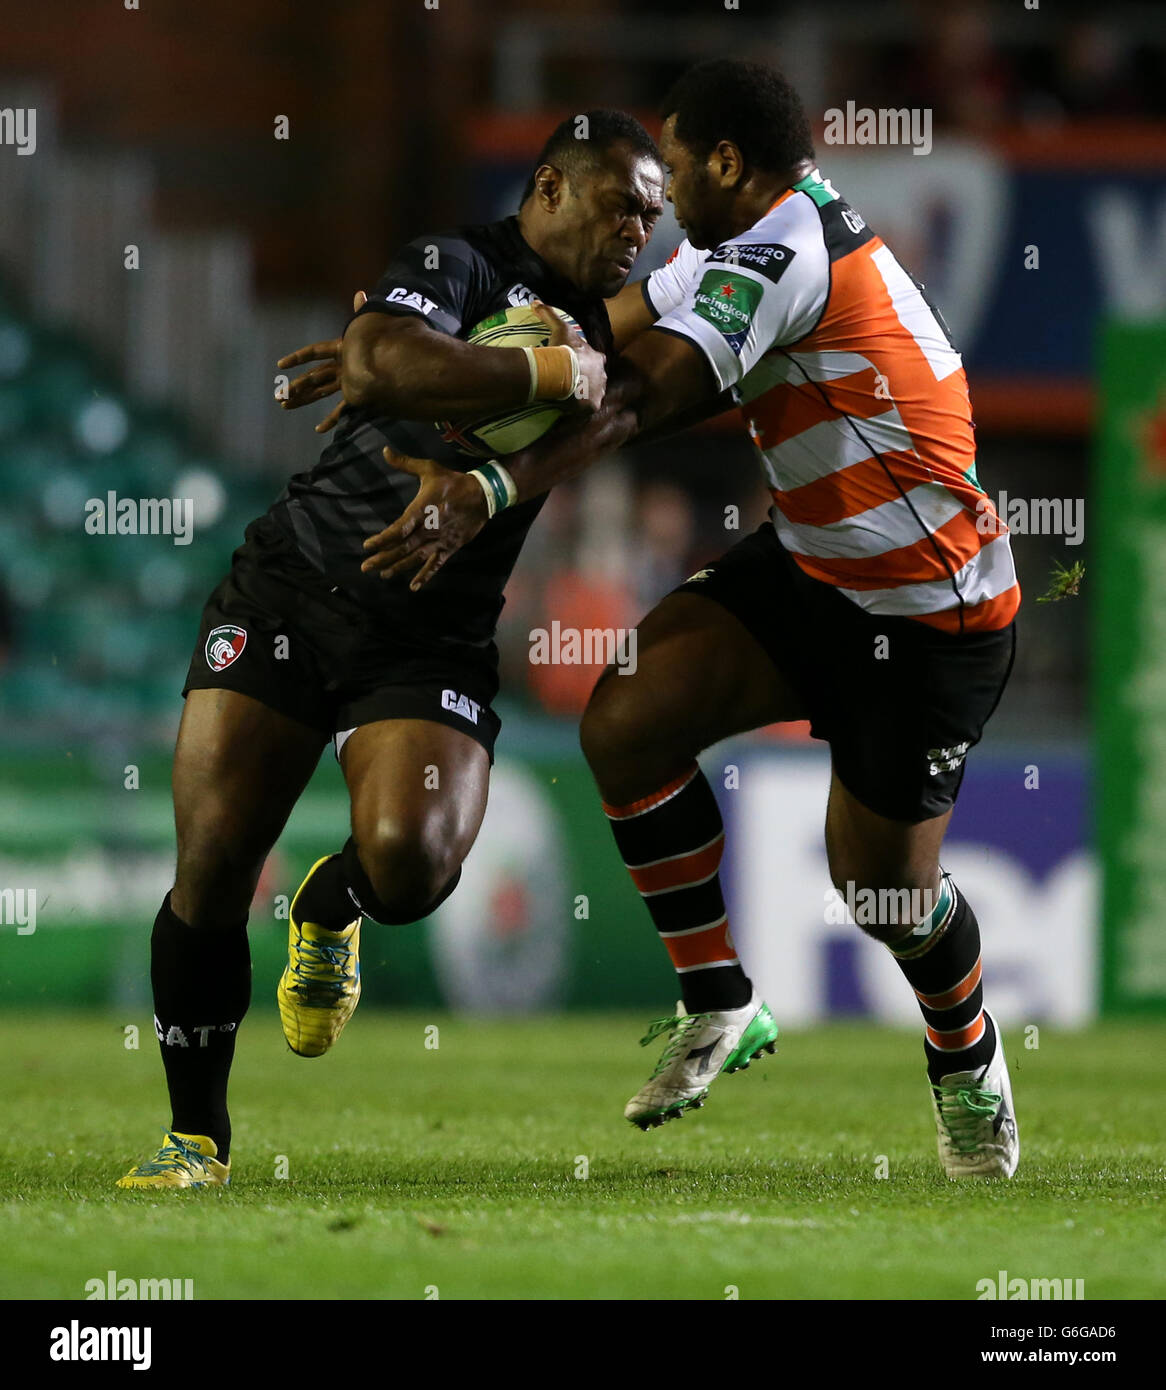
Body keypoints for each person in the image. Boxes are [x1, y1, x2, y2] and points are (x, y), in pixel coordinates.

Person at [365, 61, 1021, 1179]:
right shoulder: (730, 243)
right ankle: (718, 998)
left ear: (727, 164)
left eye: (671, 166)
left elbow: (629, 395)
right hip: (813, 574)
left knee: (881, 890)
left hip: (929, 610)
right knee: (623, 723)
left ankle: (966, 1062)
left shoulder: (784, 253)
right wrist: (408, 355)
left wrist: (479, 489)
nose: (659, 190)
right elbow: (597, 336)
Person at [116, 110, 665, 1189]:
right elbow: (376, 359)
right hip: (289, 587)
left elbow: (625, 410)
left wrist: (499, 453)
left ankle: (331, 903)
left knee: (413, 865)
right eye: (622, 205)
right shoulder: (455, 261)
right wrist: (546, 376)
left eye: (652, 214)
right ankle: (196, 1139)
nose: (638, 229)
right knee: (214, 864)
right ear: (550, 186)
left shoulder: (620, 327)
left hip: (430, 629)